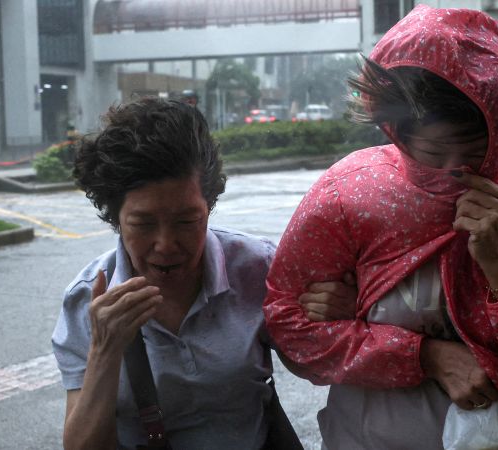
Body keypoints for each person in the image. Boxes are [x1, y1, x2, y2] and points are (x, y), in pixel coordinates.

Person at [264, 5, 498, 450]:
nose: (452, 173)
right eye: (432, 152)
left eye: (474, 153)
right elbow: (289, 330)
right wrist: (423, 355)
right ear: (397, 132)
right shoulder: (349, 193)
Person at [51, 97, 356, 449]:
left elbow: (314, 369)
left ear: (209, 206)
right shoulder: (87, 300)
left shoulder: (258, 268)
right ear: (115, 217)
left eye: (186, 221)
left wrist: (335, 317)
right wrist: (104, 350)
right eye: (143, 223)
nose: (166, 244)